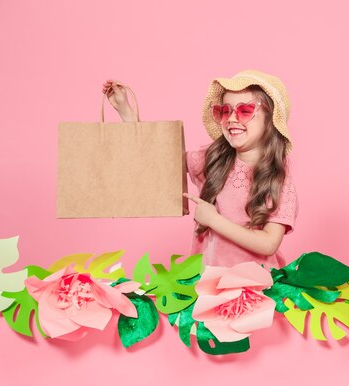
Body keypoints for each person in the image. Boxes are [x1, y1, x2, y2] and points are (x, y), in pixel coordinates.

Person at [102, 70, 298, 270]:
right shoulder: (213, 160)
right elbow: (160, 160)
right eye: (225, 111)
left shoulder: (277, 176)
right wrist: (126, 112)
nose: (231, 119)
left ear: (270, 119)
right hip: (208, 283)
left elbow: (268, 244)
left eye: (244, 111)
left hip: (255, 287)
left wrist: (213, 220)